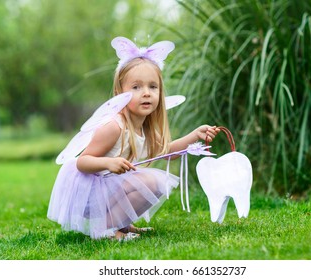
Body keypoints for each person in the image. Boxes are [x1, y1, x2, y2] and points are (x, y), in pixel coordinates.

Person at [47, 36, 219, 241]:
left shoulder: (145, 128)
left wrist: (193, 136)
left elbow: (167, 152)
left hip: (108, 187)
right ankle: (106, 229)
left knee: (153, 182)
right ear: (121, 92)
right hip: (90, 192)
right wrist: (108, 163)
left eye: (152, 87)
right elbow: (82, 162)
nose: (146, 93)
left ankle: (122, 225)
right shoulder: (114, 126)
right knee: (152, 181)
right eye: (136, 87)